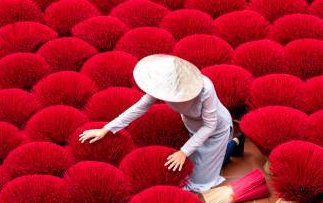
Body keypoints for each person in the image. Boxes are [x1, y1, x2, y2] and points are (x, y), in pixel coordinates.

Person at [79, 54, 244, 192]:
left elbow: (209, 126)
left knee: (200, 180)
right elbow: (139, 107)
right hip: (193, 127)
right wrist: (106, 129)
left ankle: (234, 143)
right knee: (194, 164)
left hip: (216, 129)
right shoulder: (162, 85)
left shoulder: (205, 88)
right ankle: (234, 143)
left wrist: (183, 152)